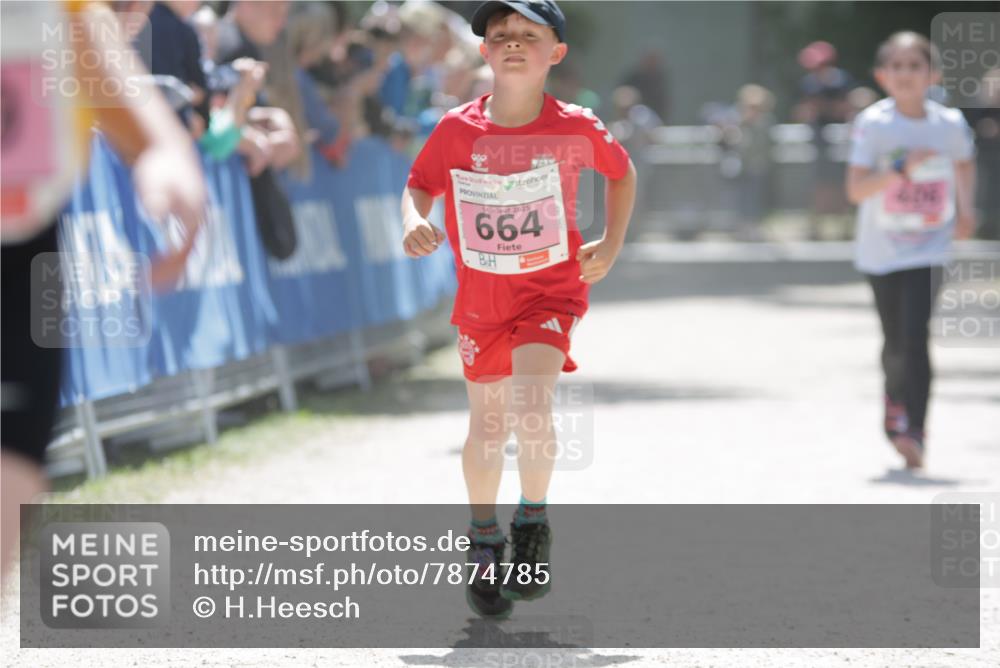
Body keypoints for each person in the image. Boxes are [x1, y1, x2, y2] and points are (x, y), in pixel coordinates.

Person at [400, 0, 636, 618]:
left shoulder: (578, 125)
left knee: (533, 403)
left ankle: (531, 522)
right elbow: (420, 182)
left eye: (528, 36)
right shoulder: (456, 128)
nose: (511, 43)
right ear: (483, 51)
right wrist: (414, 221)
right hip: (481, 297)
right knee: (487, 424)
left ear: (554, 53)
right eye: (499, 34)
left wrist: (609, 244)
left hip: (549, 292)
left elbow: (622, 173)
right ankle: (484, 534)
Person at [1, 0, 206, 578]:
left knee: (11, 481)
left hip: (17, 266)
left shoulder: (61, 9)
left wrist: (169, 168)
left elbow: (135, 115)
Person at [845, 31, 977, 470]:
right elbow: (856, 189)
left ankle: (916, 431)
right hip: (882, 248)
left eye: (914, 66)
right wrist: (901, 169)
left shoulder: (949, 123)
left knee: (916, 334)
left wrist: (966, 207)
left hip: (929, 246)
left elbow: (963, 161)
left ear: (932, 75)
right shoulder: (874, 124)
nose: (905, 75)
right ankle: (893, 401)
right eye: (896, 67)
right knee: (894, 339)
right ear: (882, 76)